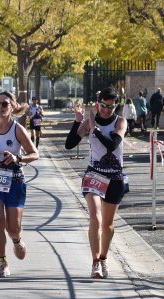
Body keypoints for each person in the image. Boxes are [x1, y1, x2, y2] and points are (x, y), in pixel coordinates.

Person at [64, 87, 127, 279]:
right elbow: (70, 144)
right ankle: (94, 262)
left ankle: (103, 257)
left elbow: (112, 145)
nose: (107, 110)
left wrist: (95, 130)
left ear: (116, 105)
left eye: (111, 106)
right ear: (97, 104)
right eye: (104, 106)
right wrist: (77, 122)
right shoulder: (88, 122)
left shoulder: (120, 122)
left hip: (115, 177)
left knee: (108, 225)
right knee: (95, 218)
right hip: (94, 175)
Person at [0, 91, 39, 277]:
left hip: (14, 180)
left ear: (11, 107)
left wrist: (17, 158)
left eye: (5, 104)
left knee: (13, 227)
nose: (1, 107)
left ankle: (17, 239)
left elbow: (35, 154)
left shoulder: (17, 129)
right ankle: (3, 262)